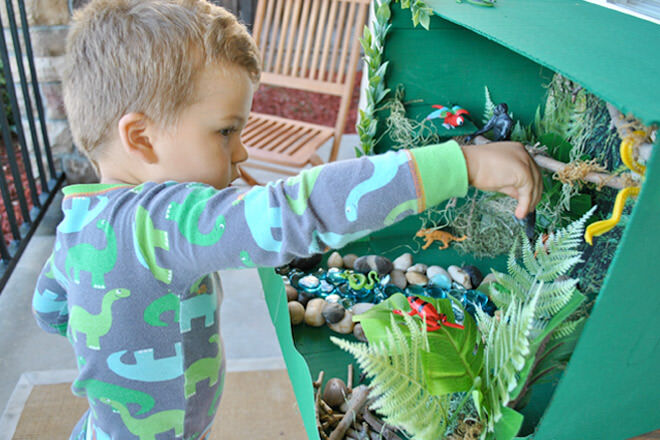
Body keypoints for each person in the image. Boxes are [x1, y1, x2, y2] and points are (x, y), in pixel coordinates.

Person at [31, 1, 542, 439]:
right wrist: (461, 163)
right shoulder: (160, 220)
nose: (242, 152)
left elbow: (49, 310)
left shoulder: (81, 216)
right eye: (225, 132)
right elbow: (295, 211)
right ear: (141, 138)